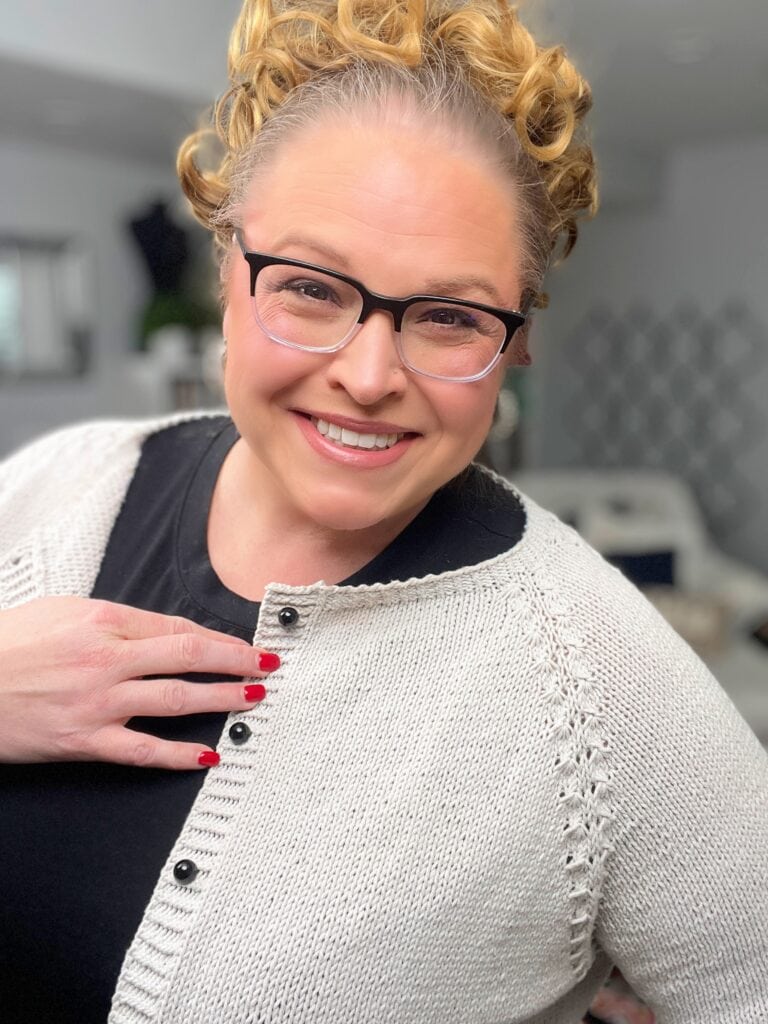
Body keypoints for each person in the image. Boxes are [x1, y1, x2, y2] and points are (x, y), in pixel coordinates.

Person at [1, 1, 766, 1022]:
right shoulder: (55, 486)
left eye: (450, 317)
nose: (368, 377)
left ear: (518, 341)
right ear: (228, 269)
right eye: (313, 288)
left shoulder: (600, 684)